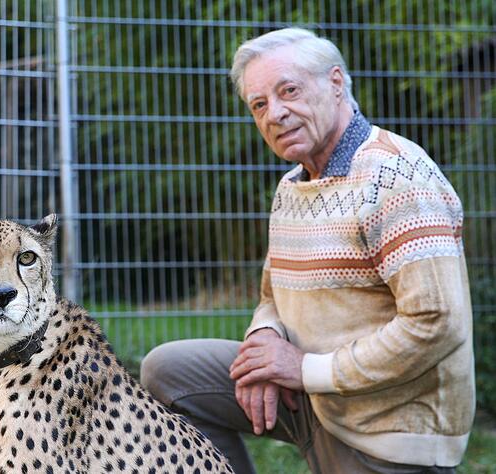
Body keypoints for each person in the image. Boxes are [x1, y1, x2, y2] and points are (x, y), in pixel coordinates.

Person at [140, 28, 475, 474]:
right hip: (312, 401)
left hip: (388, 430)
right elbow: (272, 295)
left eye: (289, 91)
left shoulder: (397, 178)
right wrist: (264, 343)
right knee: (169, 371)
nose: (275, 113)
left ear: (336, 83)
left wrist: (303, 370)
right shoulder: (292, 185)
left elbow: (437, 323)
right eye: (259, 104)